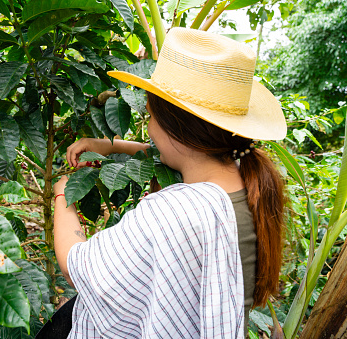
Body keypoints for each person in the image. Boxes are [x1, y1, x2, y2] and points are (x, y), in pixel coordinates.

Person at [51, 28, 286, 338]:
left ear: (176, 128)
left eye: (150, 116)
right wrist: (110, 145)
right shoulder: (246, 176)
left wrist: (62, 193)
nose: (148, 127)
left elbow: (76, 265)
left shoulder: (174, 212)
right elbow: (179, 154)